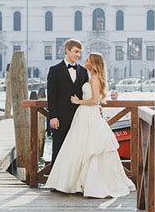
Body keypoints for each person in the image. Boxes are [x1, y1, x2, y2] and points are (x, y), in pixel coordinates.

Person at [45, 53, 136, 198]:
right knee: (80, 146)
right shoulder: (91, 77)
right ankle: (78, 182)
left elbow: (94, 100)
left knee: (89, 147)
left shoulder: (94, 79)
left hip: (88, 113)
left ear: (93, 63)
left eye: (87, 60)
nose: (85, 61)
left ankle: (88, 183)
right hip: (85, 115)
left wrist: (78, 102)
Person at [47, 39, 89, 165]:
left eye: (80, 53)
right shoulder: (54, 70)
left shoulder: (83, 71)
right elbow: (51, 95)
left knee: (77, 150)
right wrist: (53, 116)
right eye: (76, 51)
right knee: (58, 149)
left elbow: (86, 94)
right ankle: (55, 182)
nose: (78, 55)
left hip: (79, 117)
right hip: (60, 118)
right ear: (67, 50)